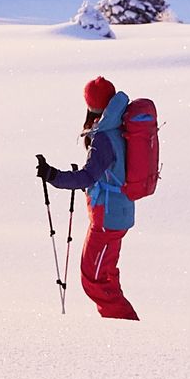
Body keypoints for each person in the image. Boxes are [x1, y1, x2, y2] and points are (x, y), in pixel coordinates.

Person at [36, 75, 141, 321]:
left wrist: (54, 175)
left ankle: (126, 329)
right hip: (116, 213)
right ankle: (119, 326)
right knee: (104, 275)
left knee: (94, 279)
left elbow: (88, 177)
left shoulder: (105, 136)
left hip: (108, 218)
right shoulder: (118, 126)